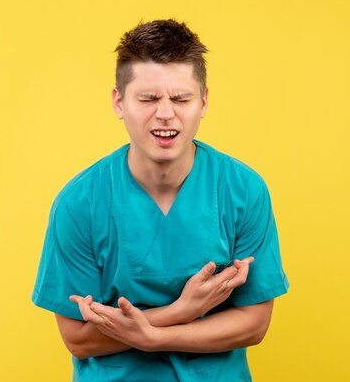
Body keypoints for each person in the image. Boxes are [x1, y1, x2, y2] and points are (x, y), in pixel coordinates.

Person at [32, 19, 289, 381]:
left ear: (204, 101)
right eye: (148, 98)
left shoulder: (243, 190)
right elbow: (78, 339)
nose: (165, 113)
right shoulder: (80, 203)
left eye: (181, 98)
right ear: (119, 102)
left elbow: (253, 324)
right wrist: (182, 309)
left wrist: (153, 336)